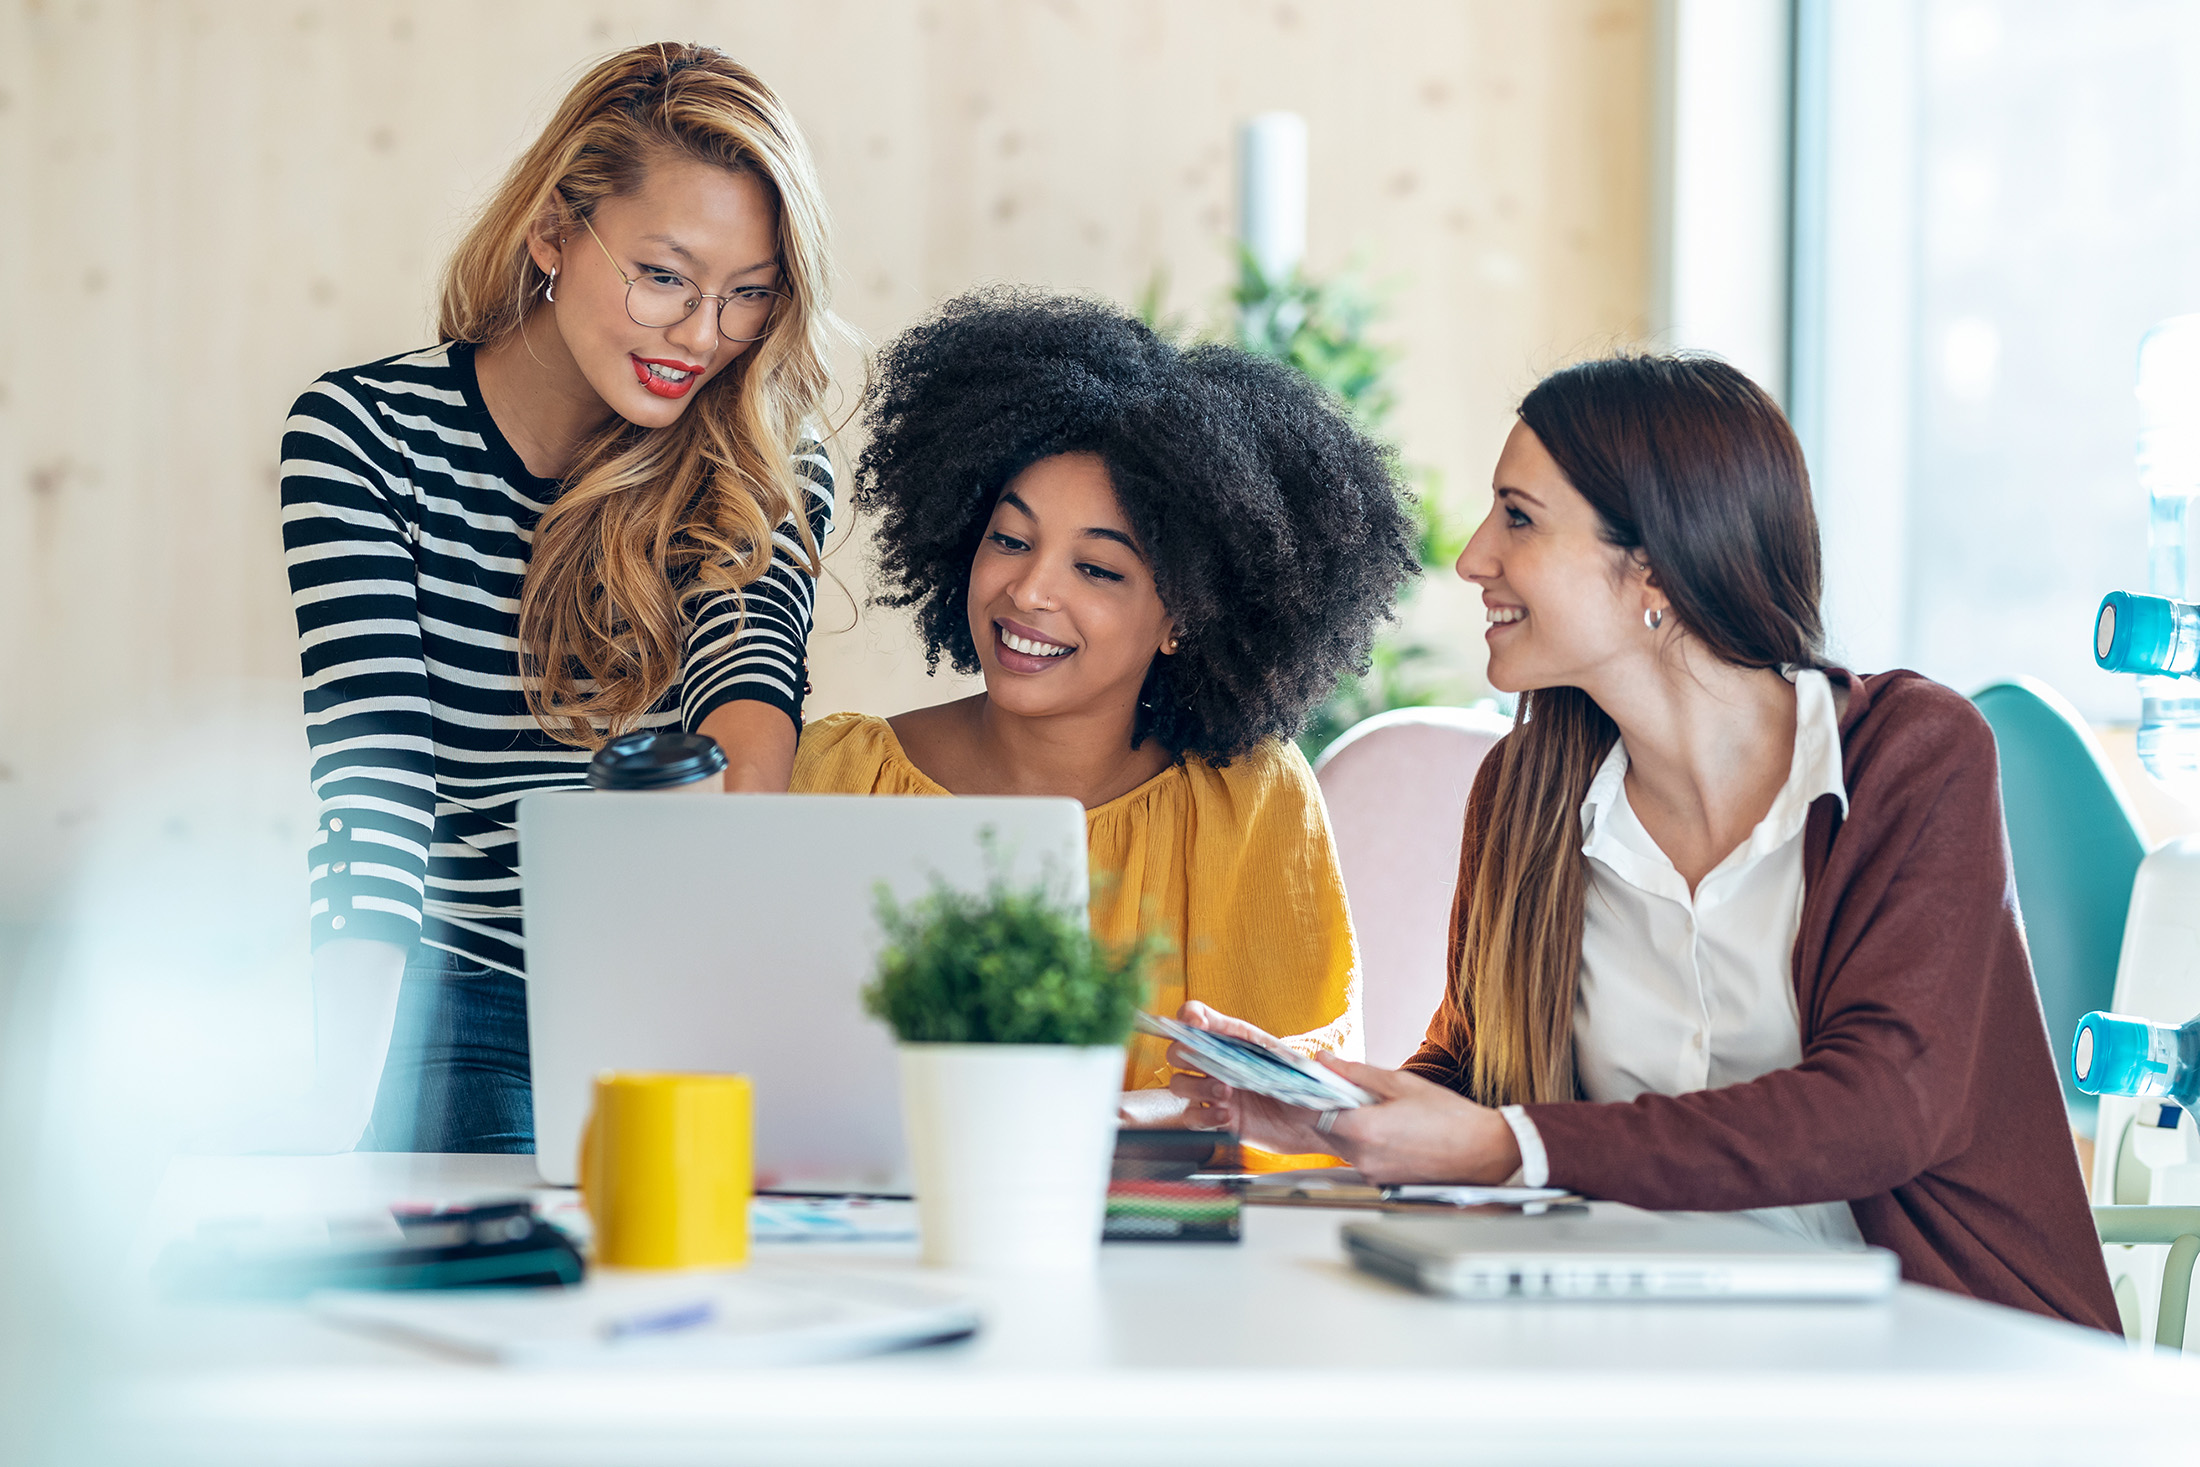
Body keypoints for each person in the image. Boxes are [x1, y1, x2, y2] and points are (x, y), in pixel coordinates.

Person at [1170, 353, 2120, 1328]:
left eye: (1519, 518)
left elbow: (1886, 1106)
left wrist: (1510, 1146)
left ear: (1656, 568)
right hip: (1650, 1335)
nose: (1472, 559)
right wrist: (1334, 1111)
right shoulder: (1523, 794)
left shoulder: (1909, 755)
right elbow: (1474, 1076)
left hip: (1938, 1352)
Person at [274, 43, 846, 1153]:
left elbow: (748, 691)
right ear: (551, 231)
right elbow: (379, 802)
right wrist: (329, 1135)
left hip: (688, 996)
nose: (701, 336)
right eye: (664, 275)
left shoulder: (762, 457)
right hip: (461, 999)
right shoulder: (366, 439)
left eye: (748, 297)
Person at [793, 290, 1419, 1156]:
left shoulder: (1248, 800)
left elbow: (1298, 1112)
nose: (1030, 591)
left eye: (1096, 567)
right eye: (1010, 540)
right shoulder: (839, 772)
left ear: (1184, 615)